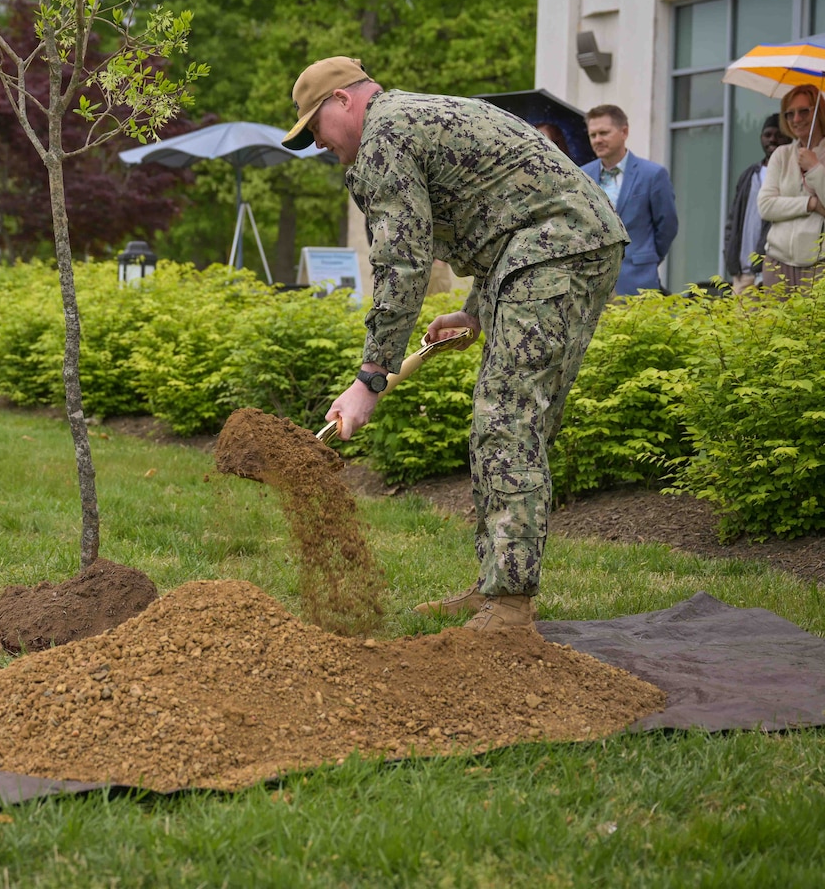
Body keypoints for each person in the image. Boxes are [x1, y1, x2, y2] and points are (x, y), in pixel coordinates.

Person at [288, 57, 628, 632]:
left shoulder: (383, 135)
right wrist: (473, 310)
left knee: (508, 420)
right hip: (545, 246)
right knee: (501, 421)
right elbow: (506, 202)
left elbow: (403, 260)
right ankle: (496, 584)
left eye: (314, 127)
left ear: (344, 101)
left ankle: (511, 605)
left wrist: (371, 377)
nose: (317, 143)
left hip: (556, 248)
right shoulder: (409, 116)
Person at [758, 84, 825, 289]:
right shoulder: (782, 154)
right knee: (774, 322)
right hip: (778, 262)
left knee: (822, 322)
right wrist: (811, 204)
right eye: (790, 114)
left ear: (819, 112)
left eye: (804, 111)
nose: (796, 119)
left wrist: (814, 167)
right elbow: (766, 206)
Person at [582, 105, 678, 295]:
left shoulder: (652, 174)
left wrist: (646, 258)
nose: (597, 140)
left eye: (604, 133)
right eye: (593, 135)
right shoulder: (582, 175)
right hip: (591, 283)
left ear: (624, 131)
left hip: (637, 279)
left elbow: (667, 226)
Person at [724, 114, 790, 294]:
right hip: (742, 274)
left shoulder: (790, 176)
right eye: (767, 134)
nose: (772, 139)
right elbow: (732, 221)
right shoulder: (749, 175)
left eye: (778, 134)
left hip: (773, 271)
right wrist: (729, 254)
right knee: (742, 321)